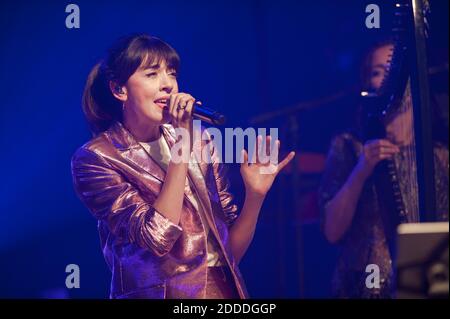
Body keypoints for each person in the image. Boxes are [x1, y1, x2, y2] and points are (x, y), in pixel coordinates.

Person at [71, 33, 295, 299]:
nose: (168, 85)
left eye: (172, 73)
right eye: (152, 74)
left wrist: (255, 196)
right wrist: (182, 143)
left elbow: (230, 254)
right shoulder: (97, 158)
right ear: (119, 89)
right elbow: (156, 237)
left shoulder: (201, 141)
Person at [318, 41, 449, 298]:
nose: (389, 76)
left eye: (394, 69)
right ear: (367, 85)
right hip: (363, 286)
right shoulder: (349, 146)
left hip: (430, 283)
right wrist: (362, 168)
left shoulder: (441, 155)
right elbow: (332, 232)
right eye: (378, 71)